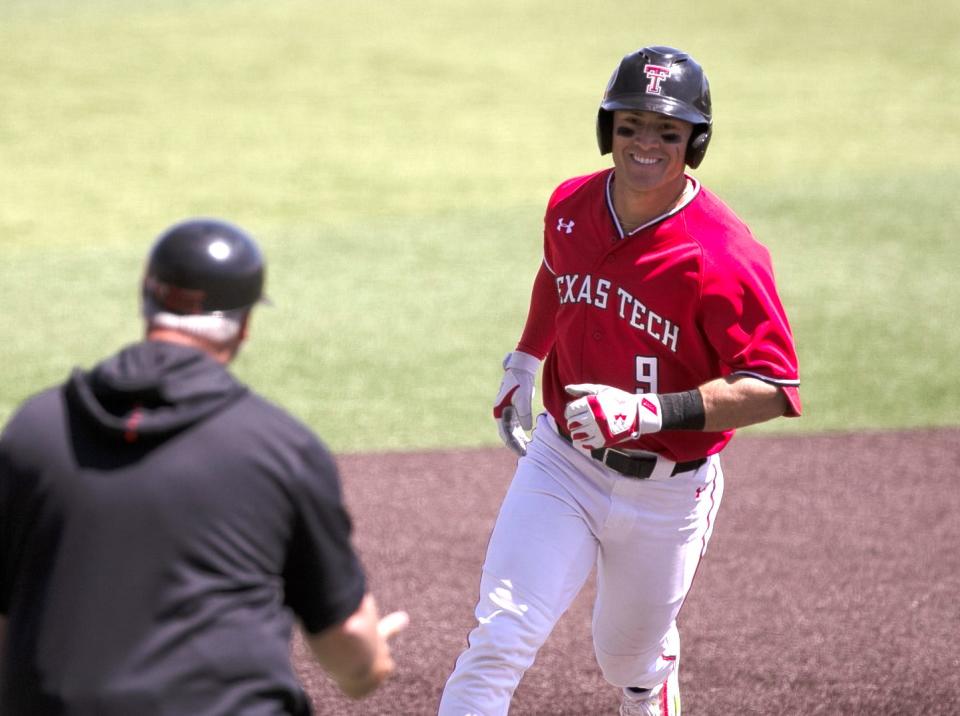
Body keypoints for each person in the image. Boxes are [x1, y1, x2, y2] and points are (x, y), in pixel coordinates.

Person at [438, 46, 801, 716]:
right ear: (609, 129)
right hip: (561, 463)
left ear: (695, 142)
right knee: (500, 637)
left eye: (667, 130)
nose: (645, 143)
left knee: (626, 658)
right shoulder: (571, 203)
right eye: (631, 125)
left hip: (669, 493)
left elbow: (774, 388)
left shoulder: (724, 254)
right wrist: (525, 358)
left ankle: (650, 681)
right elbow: (557, 274)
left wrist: (649, 414)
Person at [0, 218, 408, 715]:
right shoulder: (278, 447)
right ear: (244, 324)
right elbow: (347, 640)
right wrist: (369, 663)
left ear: (147, 302)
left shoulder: (34, 430)